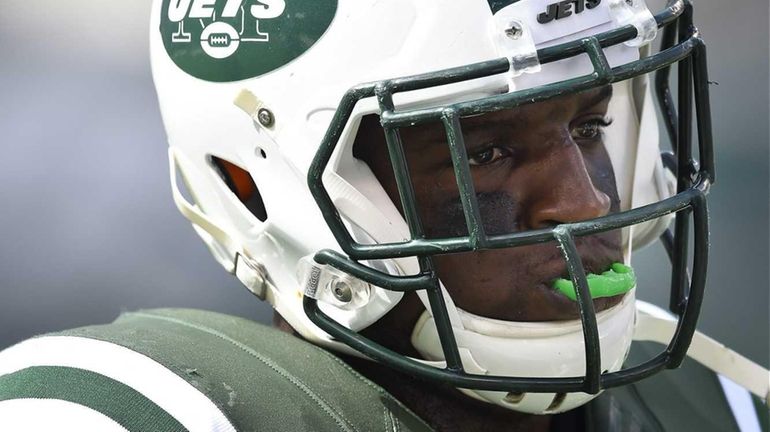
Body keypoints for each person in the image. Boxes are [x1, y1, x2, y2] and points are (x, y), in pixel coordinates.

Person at [0, 0, 767, 430]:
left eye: (590, 126)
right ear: (260, 183)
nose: (586, 200)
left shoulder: (717, 410)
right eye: (484, 154)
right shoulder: (153, 412)